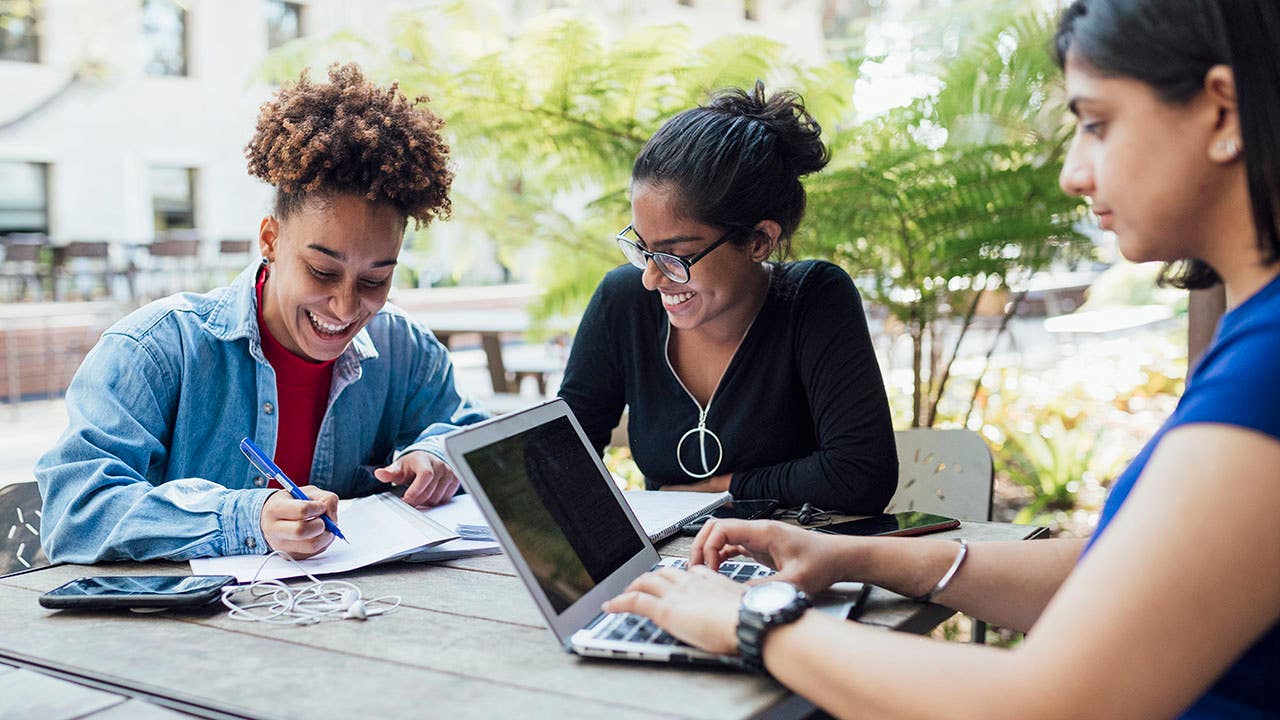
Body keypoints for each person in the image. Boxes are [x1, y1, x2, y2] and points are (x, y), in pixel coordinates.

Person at [602, 1, 1280, 717]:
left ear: (1221, 112)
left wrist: (748, 623)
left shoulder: (1266, 371)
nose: (1074, 174)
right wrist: (858, 556)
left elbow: (1048, 703)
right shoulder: (1253, 340)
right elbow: (1119, 572)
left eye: (1096, 124)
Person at [36, 64, 486, 563]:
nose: (344, 306)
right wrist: (246, 518)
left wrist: (437, 456)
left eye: (375, 280)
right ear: (270, 239)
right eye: (321, 270)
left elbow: (471, 433)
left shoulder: (406, 349)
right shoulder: (155, 351)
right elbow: (75, 512)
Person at [557, 83, 898, 513]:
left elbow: (862, 474)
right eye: (642, 249)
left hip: (796, 560)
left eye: (676, 256)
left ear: (759, 241)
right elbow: (562, 454)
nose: (651, 278)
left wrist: (713, 492)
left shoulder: (813, 299)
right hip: (672, 564)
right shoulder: (622, 302)